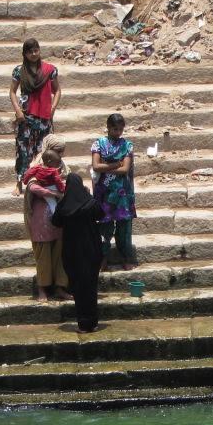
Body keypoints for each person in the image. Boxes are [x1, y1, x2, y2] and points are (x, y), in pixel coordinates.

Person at [52, 173, 104, 332]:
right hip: (91, 251)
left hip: (72, 253)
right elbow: (101, 214)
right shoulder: (90, 203)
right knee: (90, 287)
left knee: (78, 288)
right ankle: (92, 322)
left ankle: (83, 323)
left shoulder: (63, 206)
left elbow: (55, 222)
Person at [22, 139, 71, 302]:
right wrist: (53, 194)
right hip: (40, 217)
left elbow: (68, 183)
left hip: (58, 218)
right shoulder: (37, 167)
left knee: (60, 253)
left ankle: (60, 287)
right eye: (58, 150)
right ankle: (42, 289)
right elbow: (32, 187)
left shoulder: (62, 167)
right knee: (43, 255)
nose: (61, 154)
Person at [10, 39, 61, 191]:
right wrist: (18, 111)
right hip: (26, 117)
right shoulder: (19, 71)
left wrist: (52, 109)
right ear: (25, 54)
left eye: (36, 50)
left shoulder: (50, 70)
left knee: (43, 151)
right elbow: (12, 92)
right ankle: (19, 182)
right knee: (23, 150)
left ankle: (41, 180)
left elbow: (57, 91)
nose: (33, 54)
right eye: (30, 51)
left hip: (44, 117)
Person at [91, 113, 138, 270]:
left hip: (123, 192)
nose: (118, 133)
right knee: (104, 226)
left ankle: (126, 257)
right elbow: (96, 166)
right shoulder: (98, 144)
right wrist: (115, 164)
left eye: (120, 129)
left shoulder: (127, 145)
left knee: (124, 227)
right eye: (115, 129)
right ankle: (102, 259)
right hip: (104, 192)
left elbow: (125, 169)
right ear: (108, 128)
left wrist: (108, 166)